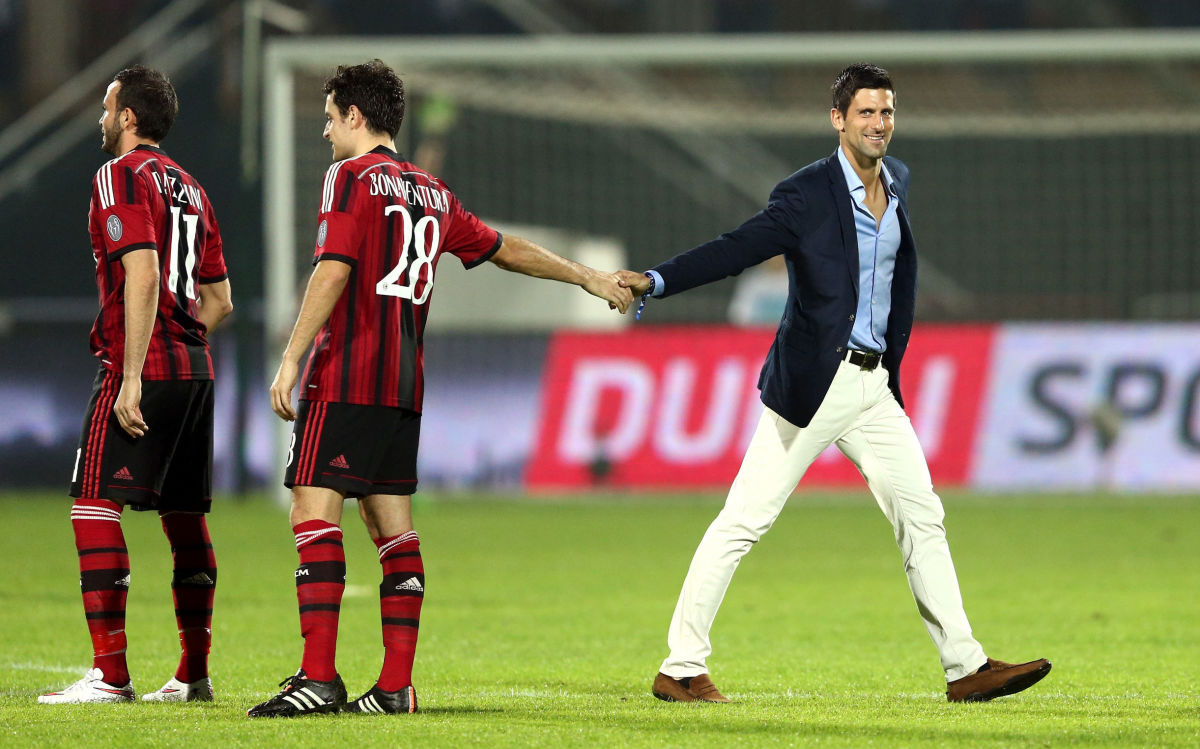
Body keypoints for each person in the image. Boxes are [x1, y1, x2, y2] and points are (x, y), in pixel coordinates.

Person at [617, 63, 1050, 704]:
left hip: (875, 389)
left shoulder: (896, 181)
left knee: (922, 516)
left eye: (887, 112)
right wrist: (656, 280)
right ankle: (680, 667)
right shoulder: (805, 194)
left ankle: (965, 666)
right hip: (816, 386)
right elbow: (735, 248)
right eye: (866, 112)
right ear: (838, 119)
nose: (879, 124)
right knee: (743, 522)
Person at [247, 60, 632, 718]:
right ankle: (395, 687)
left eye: (330, 118)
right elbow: (505, 248)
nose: (325, 132)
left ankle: (318, 678)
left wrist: (291, 357)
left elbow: (332, 268)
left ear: (356, 117)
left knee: (312, 513)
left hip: (348, 373)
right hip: (404, 383)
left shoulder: (349, 176)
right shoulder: (433, 192)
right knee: (392, 526)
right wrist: (586, 276)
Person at [39, 66, 233, 705]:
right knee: (185, 519)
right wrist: (180, 344)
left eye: (106, 107)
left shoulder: (118, 174)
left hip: (143, 369)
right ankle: (193, 675)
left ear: (127, 116)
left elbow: (143, 274)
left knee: (93, 505)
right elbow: (220, 301)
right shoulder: (193, 188)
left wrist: (132, 375)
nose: (102, 117)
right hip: (195, 371)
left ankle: (110, 675)